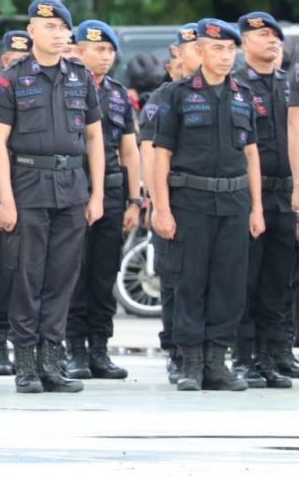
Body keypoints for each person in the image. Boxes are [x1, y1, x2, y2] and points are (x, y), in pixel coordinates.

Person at [0, 0, 105, 394]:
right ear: (32, 31)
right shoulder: (12, 78)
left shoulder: (80, 76)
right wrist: (5, 198)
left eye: (62, 28)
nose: (58, 35)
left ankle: (51, 361)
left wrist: (97, 194)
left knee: (61, 278)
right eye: (50, 28)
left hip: (72, 187)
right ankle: (25, 363)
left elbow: (93, 137)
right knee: (26, 275)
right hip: (27, 186)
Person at [152, 18, 263, 392]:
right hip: (190, 201)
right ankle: (190, 362)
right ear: (198, 51)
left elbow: (251, 154)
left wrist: (256, 208)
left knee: (228, 284)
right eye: (217, 48)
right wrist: (162, 209)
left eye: (231, 49)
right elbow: (160, 156)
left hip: (233, 201)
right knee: (189, 281)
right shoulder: (177, 94)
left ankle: (217, 361)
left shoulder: (243, 94)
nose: (226, 56)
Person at [65, 20, 140, 380]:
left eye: (110, 50)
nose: (106, 56)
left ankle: (99, 349)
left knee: (103, 273)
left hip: (111, 191)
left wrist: (134, 199)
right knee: (74, 273)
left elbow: (129, 150)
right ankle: (74, 350)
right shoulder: (65, 87)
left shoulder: (118, 94)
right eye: (99, 49)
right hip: (72, 188)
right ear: (78, 50)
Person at [139, 24, 201, 383]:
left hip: (208, 198)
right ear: (177, 54)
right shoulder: (164, 95)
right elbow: (149, 149)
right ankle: (177, 350)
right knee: (175, 276)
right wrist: (154, 198)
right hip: (173, 195)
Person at [233, 12, 292, 389]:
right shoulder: (234, 85)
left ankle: (273, 354)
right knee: (246, 278)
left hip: (286, 192)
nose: (272, 41)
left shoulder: (290, 85)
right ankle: (245, 356)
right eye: (263, 35)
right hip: (250, 193)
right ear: (244, 43)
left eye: (276, 36)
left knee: (280, 278)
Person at [0, 29, 33, 377]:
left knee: (29, 274)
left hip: (33, 188)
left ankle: (28, 347)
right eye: (13, 58)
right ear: (4, 61)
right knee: (0, 272)